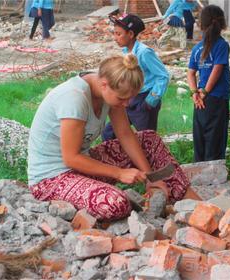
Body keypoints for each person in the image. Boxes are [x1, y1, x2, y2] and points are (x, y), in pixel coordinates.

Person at [28, 54, 199, 221]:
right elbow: (71, 158)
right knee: (116, 204)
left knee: (149, 140)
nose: (126, 104)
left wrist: (150, 176)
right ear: (104, 84)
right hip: (52, 179)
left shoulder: (109, 90)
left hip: (82, 166)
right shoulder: (75, 98)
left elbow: (125, 134)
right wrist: (119, 173)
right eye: (122, 99)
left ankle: (193, 204)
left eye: (130, 98)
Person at [102, 14, 169, 141]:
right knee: (109, 133)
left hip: (144, 99)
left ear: (131, 34)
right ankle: (119, 159)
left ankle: (150, 160)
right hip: (130, 99)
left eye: (118, 34)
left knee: (146, 140)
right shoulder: (126, 51)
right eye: (114, 33)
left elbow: (163, 76)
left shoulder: (144, 52)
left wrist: (150, 101)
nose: (115, 38)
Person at [187, 5, 230, 162]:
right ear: (222, 24)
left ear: (200, 25)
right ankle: (213, 173)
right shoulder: (222, 45)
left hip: (200, 100)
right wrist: (204, 92)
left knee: (200, 135)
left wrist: (195, 93)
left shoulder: (197, 48)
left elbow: (190, 73)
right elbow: (217, 70)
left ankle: (199, 168)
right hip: (216, 98)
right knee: (216, 137)